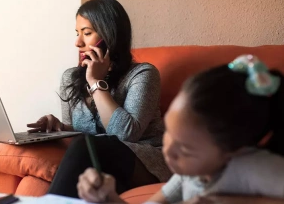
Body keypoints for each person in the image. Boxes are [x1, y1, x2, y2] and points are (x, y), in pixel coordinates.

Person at [77, 55, 284, 203]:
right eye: (168, 134)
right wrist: (109, 198)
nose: (168, 151)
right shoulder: (190, 174)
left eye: (185, 149)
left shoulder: (250, 167)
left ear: (234, 150)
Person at [26, 0, 172, 198]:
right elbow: (76, 136)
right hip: (97, 166)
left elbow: (124, 134)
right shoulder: (70, 77)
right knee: (39, 176)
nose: (78, 42)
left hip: (144, 166)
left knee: (88, 144)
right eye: (77, 33)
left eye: (86, 33)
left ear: (108, 36)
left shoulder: (143, 74)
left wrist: (95, 82)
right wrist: (60, 128)